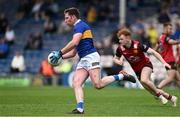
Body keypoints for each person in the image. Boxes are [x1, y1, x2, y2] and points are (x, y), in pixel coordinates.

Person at [48, 7, 136, 114]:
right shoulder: (78, 28)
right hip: (83, 59)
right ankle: (80, 108)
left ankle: (122, 76)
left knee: (98, 85)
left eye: (67, 18)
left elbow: (74, 43)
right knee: (76, 83)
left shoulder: (80, 26)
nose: (65, 20)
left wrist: (59, 53)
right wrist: (59, 57)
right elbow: (73, 53)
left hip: (91, 57)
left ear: (73, 17)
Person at [113, 28, 178, 107]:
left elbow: (154, 52)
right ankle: (171, 98)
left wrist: (164, 63)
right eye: (119, 39)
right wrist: (118, 61)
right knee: (151, 89)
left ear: (128, 38)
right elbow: (115, 58)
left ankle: (159, 96)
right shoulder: (120, 48)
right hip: (137, 71)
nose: (119, 41)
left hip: (146, 65)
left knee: (144, 80)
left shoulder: (138, 45)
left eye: (121, 39)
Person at [155, 23, 180, 89]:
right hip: (170, 60)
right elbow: (172, 42)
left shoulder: (160, 37)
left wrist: (162, 54)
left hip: (167, 60)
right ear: (165, 29)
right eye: (170, 29)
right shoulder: (166, 37)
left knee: (178, 79)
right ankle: (157, 89)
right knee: (170, 78)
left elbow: (155, 50)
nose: (171, 30)